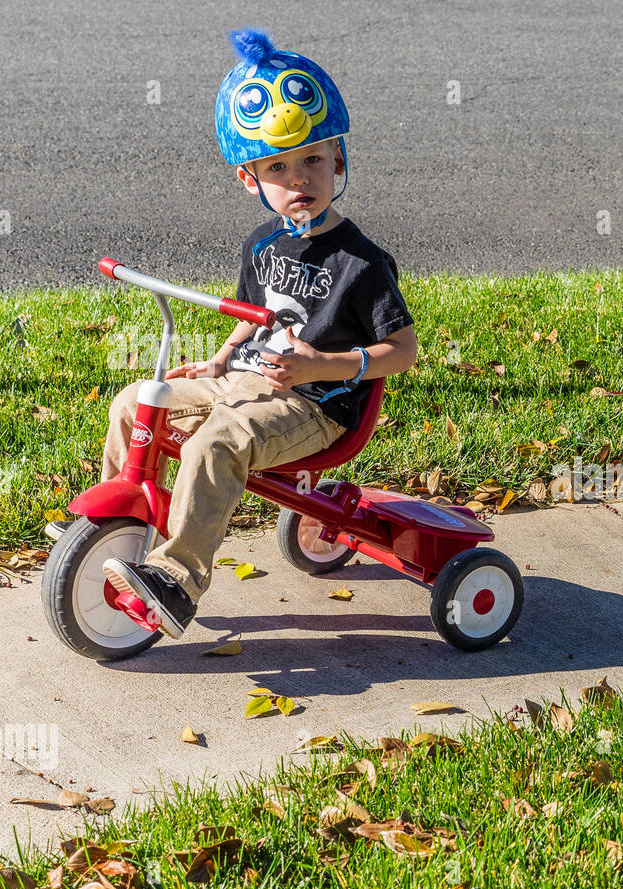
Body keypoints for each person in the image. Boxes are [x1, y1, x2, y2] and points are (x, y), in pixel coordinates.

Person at [98, 27, 417, 637]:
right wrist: (218, 362)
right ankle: (120, 527)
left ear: (339, 160)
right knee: (138, 402)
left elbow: (402, 352)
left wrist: (322, 367)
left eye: (313, 160)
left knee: (217, 441)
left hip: (314, 404)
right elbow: (253, 315)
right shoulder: (262, 243)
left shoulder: (361, 261)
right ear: (251, 180)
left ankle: (179, 581)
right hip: (245, 383)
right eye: (279, 167)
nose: (300, 179)